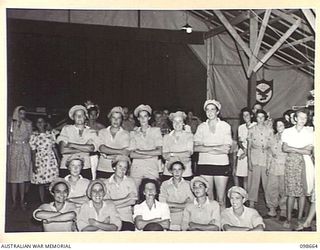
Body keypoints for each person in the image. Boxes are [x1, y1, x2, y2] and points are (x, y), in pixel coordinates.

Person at [194, 99, 232, 208]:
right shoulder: (201, 127)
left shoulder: (225, 126)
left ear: (218, 111)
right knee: (209, 197)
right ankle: (212, 222)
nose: (210, 112)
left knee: (221, 198)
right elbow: (196, 148)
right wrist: (217, 148)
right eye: (207, 110)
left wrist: (205, 147)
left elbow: (226, 149)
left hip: (221, 164)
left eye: (213, 109)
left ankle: (222, 222)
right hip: (205, 164)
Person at [281, 108, 314, 229]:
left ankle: (300, 218)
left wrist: (293, 148)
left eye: (305, 118)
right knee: (291, 192)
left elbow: (309, 150)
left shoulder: (310, 132)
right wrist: (301, 149)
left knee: (302, 193)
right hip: (291, 163)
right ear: (295, 118)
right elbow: (285, 148)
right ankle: (289, 219)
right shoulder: (287, 131)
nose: (302, 120)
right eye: (300, 117)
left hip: (305, 163)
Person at [57, 105, 97, 179]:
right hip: (66, 166)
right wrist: (84, 148)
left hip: (85, 166)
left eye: (81, 115)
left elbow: (91, 148)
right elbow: (63, 150)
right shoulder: (66, 129)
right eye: (76, 115)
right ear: (73, 117)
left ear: (85, 117)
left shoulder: (91, 132)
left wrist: (72, 144)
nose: (79, 117)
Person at [129, 104, 163, 188]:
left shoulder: (156, 131)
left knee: (152, 194)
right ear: (138, 119)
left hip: (152, 169)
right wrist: (152, 153)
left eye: (145, 116)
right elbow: (132, 154)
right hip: (136, 169)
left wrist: (139, 151)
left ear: (149, 117)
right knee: (136, 196)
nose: (143, 119)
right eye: (140, 117)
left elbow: (159, 151)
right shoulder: (133, 133)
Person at [8, 106, 33, 210]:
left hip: (24, 150)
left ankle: (22, 201)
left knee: (22, 178)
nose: (22, 115)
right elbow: (8, 138)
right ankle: (14, 202)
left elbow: (30, 137)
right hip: (14, 150)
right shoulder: (11, 124)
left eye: (23, 113)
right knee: (13, 178)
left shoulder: (28, 124)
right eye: (20, 113)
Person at [247, 109, 273, 208]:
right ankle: (252, 203)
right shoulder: (251, 130)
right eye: (258, 117)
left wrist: (270, 162)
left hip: (266, 159)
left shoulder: (270, 130)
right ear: (255, 118)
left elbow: (271, 147)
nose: (260, 119)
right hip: (255, 158)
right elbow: (249, 147)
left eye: (262, 117)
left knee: (267, 183)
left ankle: (270, 205)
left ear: (265, 118)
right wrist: (249, 161)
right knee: (254, 182)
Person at [104, 155, 138, 231]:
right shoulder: (106, 183)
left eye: (125, 168)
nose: (122, 170)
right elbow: (106, 203)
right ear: (114, 167)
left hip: (126, 218)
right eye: (120, 166)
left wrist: (113, 204)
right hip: (110, 218)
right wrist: (127, 198)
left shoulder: (130, 181)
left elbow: (132, 201)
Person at [29, 117, 60, 203]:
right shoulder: (33, 136)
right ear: (35, 124)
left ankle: (54, 200)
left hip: (50, 160)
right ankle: (42, 201)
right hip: (40, 160)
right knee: (41, 182)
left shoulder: (50, 134)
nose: (39, 123)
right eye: (38, 122)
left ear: (45, 123)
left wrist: (58, 159)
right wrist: (34, 164)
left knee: (52, 182)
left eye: (41, 121)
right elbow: (33, 152)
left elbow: (54, 148)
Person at [96, 106, 130, 179]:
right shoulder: (102, 132)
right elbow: (102, 148)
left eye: (118, 118)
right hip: (102, 169)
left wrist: (107, 155)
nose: (116, 120)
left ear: (121, 120)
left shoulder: (126, 134)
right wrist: (120, 152)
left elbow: (125, 153)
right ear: (110, 119)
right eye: (113, 117)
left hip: (119, 170)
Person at [159, 161, 194, 230]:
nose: (177, 172)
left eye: (179, 169)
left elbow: (191, 204)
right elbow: (162, 203)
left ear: (183, 171)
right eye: (174, 169)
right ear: (171, 171)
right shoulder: (165, 184)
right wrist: (183, 205)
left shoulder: (189, 184)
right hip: (169, 217)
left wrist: (170, 205)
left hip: (185, 218)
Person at [264, 118, 287, 220]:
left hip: (285, 167)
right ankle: (272, 209)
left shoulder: (290, 137)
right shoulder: (272, 138)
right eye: (277, 126)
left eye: (281, 125)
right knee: (271, 188)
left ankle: (284, 210)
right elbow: (269, 153)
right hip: (273, 166)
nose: (279, 128)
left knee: (283, 189)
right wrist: (268, 166)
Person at [162, 111, 194, 181]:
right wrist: (180, 155)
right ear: (172, 123)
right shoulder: (166, 137)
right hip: (169, 172)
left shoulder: (189, 136)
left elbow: (188, 154)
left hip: (185, 171)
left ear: (183, 123)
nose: (177, 124)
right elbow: (165, 156)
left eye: (180, 121)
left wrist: (172, 154)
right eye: (175, 121)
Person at [234, 108, 256, 190]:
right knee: (244, 177)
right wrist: (244, 150)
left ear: (251, 115)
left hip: (253, 153)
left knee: (252, 177)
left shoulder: (255, 125)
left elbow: (255, 142)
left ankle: (251, 198)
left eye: (247, 115)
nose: (245, 117)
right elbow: (239, 141)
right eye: (244, 115)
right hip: (242, 151)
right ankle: (246, 197)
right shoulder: (241, 127)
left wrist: (247, 153)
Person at [84, 100, 105, 180]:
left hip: (96, 155)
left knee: (94, 176)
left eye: (94, 114)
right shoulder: (83, 126)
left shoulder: (101, 127)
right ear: (87, 115)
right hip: (85, 153)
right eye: (91, 114)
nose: (92, 117)